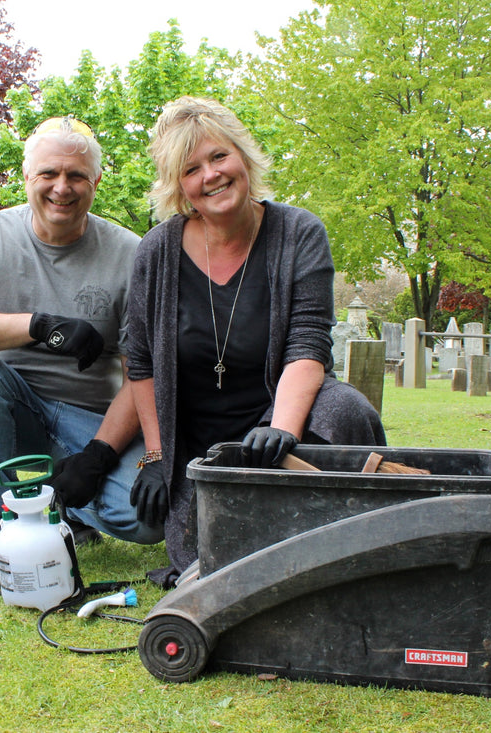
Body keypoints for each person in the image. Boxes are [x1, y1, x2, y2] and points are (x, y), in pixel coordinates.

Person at [125, 97, 386, 587]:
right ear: (178, 186)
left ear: (243, 156)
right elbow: (140, 362)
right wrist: (157, 458)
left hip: (284, 417)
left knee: (348, 409)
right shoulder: (156, 250)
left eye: (219, 157)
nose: (211, 175)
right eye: (191, 169)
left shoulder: (298, 232)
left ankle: (363, 538)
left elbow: (309, 343)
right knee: (203, 558)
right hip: (199, 440)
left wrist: (282, 428)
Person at [0, 116, 164, 581]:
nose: (62, 188)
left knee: (148, 517)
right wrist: (38, 327)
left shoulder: (131, 254)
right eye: (49, 174)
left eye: (76, 176)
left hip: (90, 419)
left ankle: (68, 512)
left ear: (95, 182)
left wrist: (98, 456)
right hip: (10, 408)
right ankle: (5, 537)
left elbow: (143, 371)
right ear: (27, 177)